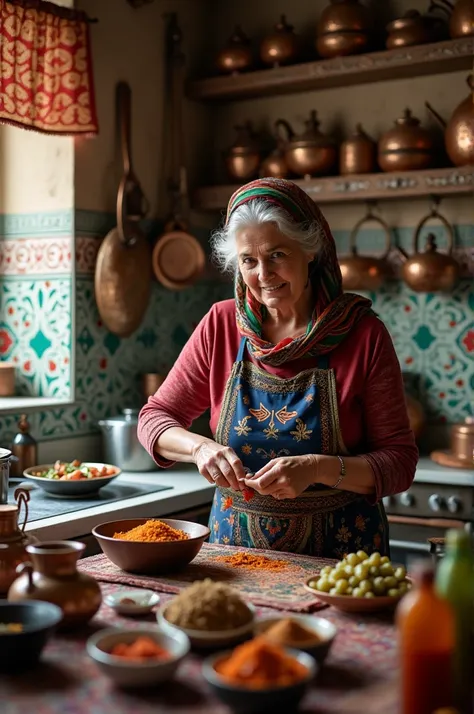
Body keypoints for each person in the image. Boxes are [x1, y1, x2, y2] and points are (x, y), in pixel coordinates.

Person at [138, 177, 418, 557]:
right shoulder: (221, 325)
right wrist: (201, 449)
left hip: (340, 560)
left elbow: (399, 463)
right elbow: (155, 419)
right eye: (248, 261)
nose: (263, 276)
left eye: (278, 255)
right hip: (233, 553)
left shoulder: (363, 334)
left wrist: (316, 468)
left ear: (310, 251)